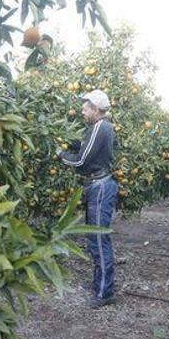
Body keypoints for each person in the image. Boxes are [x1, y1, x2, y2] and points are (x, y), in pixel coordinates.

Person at [57, 89, 118, 308]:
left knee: (99, 239)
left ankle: (104, 293)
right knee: (95, 238)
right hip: (98, 185)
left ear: (95, 108)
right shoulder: (97, 128)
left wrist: (60, 154)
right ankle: (100, 285)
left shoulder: (100, 128)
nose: (82, 110)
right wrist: (69, 142)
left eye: (85, 107)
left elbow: (82, 161)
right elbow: (87, 149)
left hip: (100, 186)